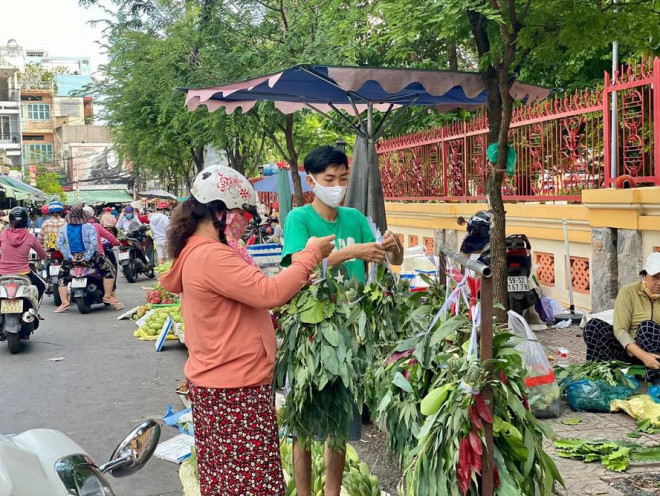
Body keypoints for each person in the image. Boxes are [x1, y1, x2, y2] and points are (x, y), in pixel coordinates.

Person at [160, 165, 334, 496]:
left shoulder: (203, 252)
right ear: (217, 210)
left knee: (231, 481)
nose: (244, 219)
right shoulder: (210, 255)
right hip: (233, 390)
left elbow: (253, 296)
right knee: (249, 483)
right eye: (240, 211)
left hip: (225, 386)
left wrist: (294, 282)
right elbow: (268, 293)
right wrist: (310, 254)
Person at [280, 145, 403, 496]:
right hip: (312, 333)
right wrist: (349, 253)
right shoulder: (299, 220)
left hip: (350, 334)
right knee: (303, 423)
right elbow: (296, 270)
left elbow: (392, 259)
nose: (337, 185)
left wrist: (392, 246)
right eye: (329, 179)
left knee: (340, 425)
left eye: (343, 179)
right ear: (311, 181)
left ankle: (332, 492)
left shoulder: (355, 218)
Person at [584, 252, 660, 384]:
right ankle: (600, 378)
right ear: (644, 276)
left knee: (648, 327)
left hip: (656, 351)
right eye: (655, 277)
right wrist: (643, 356)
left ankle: (655, 379)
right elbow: (620, 330)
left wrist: (649, 356)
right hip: (629, 351)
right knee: (594, 326)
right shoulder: (629, 292)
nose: (659, 282)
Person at [54, 205, 122, 313]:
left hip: (72, 257)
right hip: (90, 256)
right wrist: (87, 257)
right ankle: (107, 296)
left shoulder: (64, 227)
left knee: (62, 276)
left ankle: (64, 302)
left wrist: (69, 256)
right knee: (110, 270)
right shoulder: (89, 227)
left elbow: (59, 244)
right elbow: (93, 243)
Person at [0, 207, 47, 301]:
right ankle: (33, 310)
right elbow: (43, 255)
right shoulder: (30, 237)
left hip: (3, 273)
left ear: (10, 221)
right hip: (24, 273)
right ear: (26, 221)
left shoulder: (3, 235)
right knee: (41, 286)